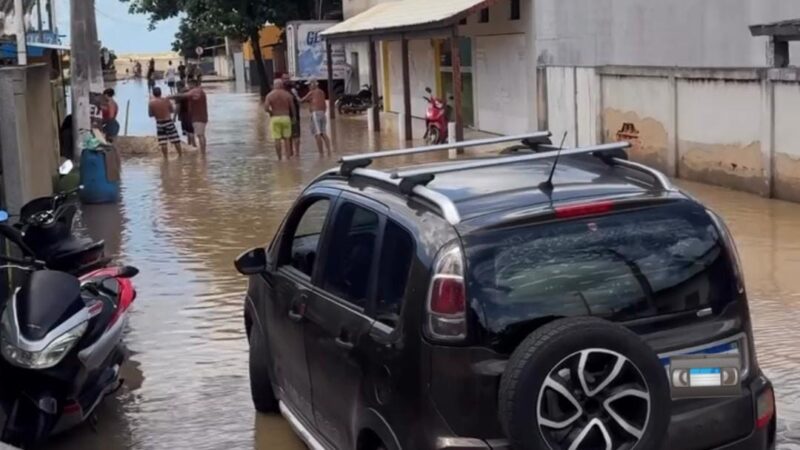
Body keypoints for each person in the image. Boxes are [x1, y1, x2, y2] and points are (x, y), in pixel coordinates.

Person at [170, 77, 208, 153]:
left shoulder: (184, 93)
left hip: (187, 115)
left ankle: (197, 149)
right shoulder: (198, 91)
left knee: (193, 134)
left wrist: (174, 117)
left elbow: (178, 106)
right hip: (196, 116)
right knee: (194, 133)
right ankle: (195, 148)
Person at [264, 79, 296, 160]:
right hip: (286, 117)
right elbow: (292, 107)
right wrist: (294, 117)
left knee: (277, 139)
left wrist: (271, 112)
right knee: (287, 138)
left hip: (275, 118)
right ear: (282, 85)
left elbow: (266, 108)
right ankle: (288, 158)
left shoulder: (269, 95)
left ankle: (279, 158)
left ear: (274, 85)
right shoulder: (287, 95)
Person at [148, 87, 182, 158]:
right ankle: (180, 155)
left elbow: (150, 115)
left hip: (159, 123)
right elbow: (172, 110)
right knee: (176, 139)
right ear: (160, 92)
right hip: (168, 121)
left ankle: (165, 158)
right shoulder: (166, 100)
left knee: (163, 141)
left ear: (153, 94)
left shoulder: (151, 103)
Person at [301, 80, 332, 154]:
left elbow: (302, 100)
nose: (308, 87)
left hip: (315, 114)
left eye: (309, 85)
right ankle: (329, 151)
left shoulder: (312, 92)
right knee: (323, 133)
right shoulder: (322, 92)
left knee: (317, 133)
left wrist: (295, 95)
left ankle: (321, 153)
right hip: (322, 113)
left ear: (313, 84)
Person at [282, 73, 301, 156]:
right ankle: (293, 153)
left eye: (287, 78)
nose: (286, 80)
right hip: (290, 116)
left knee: (291, 136)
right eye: (285, 78)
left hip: (289, 116)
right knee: (292, 135)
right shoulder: (292, 90)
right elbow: (298, 101)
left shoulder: (283, 90)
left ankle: (293, 153)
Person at [174, 83, 196, 147]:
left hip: (184, 114)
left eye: (177, 86)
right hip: (193, 114)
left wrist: (174, 117)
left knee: (188, 131)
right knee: (190, 131)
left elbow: (178, 107)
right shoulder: (190, 92)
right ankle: (190, 145)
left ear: (178, 86)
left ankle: (194, 145)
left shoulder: (179, 95)